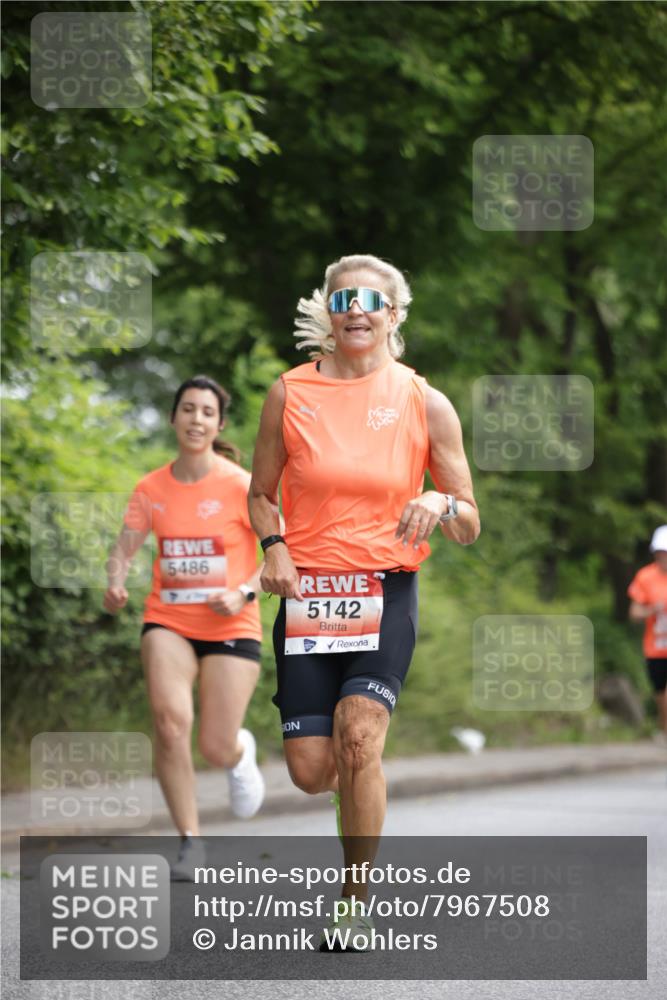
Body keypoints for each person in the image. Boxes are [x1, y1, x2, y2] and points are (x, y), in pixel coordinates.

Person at [248, 253, 480, 948]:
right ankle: (353, 794)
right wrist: (275, 547)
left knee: (358, 735)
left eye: (370, 300)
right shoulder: (289, 394)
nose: (355, 309)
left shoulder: (422, 399)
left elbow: (468, 518)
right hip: (309, 591)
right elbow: (260, 494)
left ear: (392, 316)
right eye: (342, 297)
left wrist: (439, 500)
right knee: (313, 770)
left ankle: (354, 897)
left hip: (385, 589)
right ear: (329, 309)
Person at [104, 375, 265, 880]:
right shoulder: (151, 488)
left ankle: (240, 754)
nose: (196, 419)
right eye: (188, 409)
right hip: (167, 620)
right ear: (173, 418)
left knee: (214, 746)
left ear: (219, 425)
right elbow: (122, 550)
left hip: (231, 623)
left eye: (207, 412)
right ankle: (190, 840)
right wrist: (115, 583)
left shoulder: (241, 485)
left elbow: (281, 558)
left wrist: (242, 591)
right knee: (171, 725)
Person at [628, 524, 667, 741]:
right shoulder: (645, 577)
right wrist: (652, 609)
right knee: (660, 693)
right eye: (661, 552)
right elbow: (634, 613)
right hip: (656, 647)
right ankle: (664, 728)